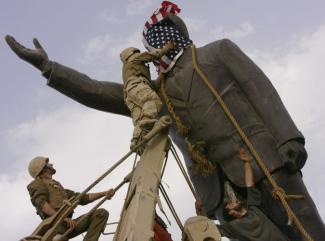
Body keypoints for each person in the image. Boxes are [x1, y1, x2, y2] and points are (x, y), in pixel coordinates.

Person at [5, 2, 325, 240]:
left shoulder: (217, 53)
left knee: (307, 231)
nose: (154, 48)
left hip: (266, 165)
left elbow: (260, 89)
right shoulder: (157, 95)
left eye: (159, 38)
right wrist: (50, 69)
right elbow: (99, 91)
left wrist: (289, 137)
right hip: (223, 195)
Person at [27, 156, 115, 241]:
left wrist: (104, 193)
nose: (51, 164)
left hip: (69, 224)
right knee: (58, 239)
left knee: (101, 214)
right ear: (43, 167)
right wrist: (63, 218)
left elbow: (82, 198)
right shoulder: (37, 184)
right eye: (48, 163)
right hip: (55, 227)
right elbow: (41, 204)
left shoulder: (57, 186)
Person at [215, 149, 289, 241]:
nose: (232, 201)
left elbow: (249, 184)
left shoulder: (254, 209)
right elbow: (208, 229)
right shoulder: (234, 227)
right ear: (231, 213)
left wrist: (246, 162)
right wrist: (200, 212)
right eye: (230, 204)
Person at [120, 42, 174, 153]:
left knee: (140, 118)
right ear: (131, 53)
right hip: (137, 85)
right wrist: (166, 48)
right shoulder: (133, 58)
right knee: (152, 100)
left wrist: (161, 75)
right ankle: (147, 129)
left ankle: (138, 142)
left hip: (130, 93)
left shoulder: (130, 68)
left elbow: (153, 85)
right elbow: (151, 55)